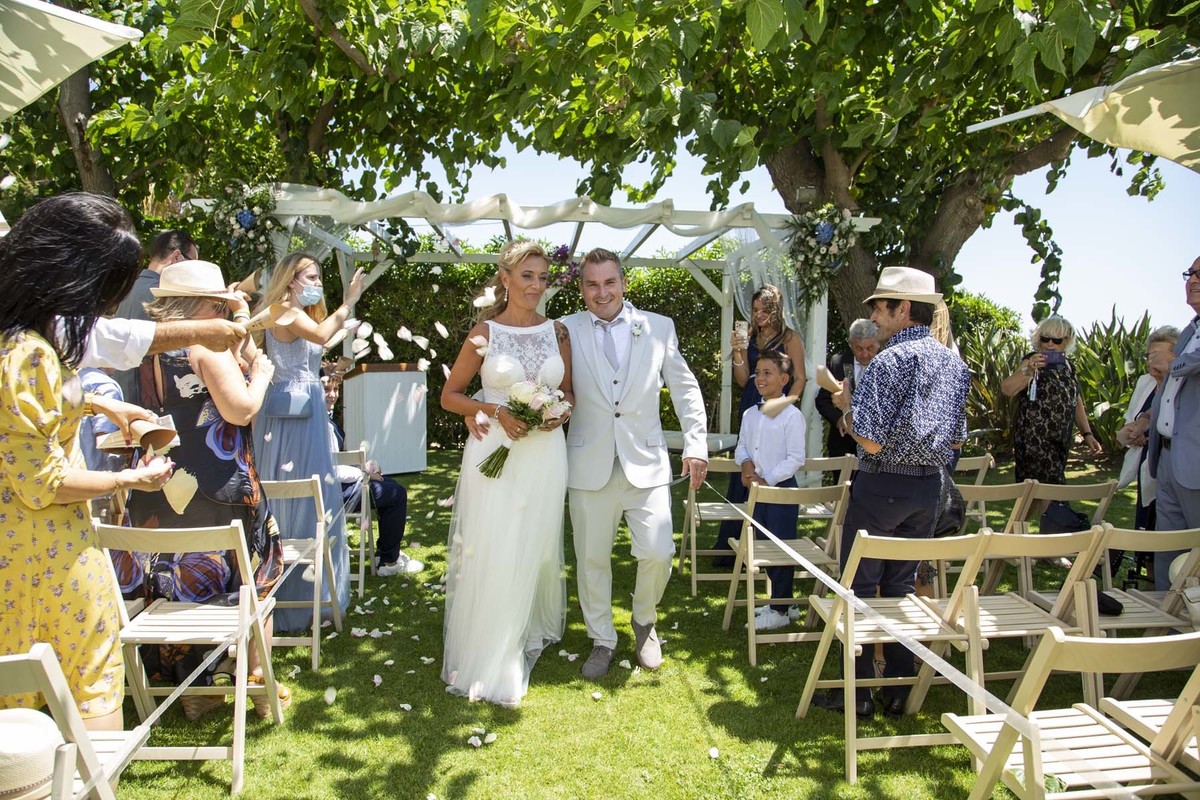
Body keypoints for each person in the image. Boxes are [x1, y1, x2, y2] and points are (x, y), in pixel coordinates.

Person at [0, 193, 175, 732]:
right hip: (48, 554)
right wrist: (131, 477)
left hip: (11, 555)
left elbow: (25, 419)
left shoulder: (15, 338)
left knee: (17, 718)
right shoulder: (29, 353)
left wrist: (102, 401)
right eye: (105, 293)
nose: (104, 309)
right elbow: (44, 483)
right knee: (92, 686)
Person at [121, 259, 285, 720]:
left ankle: (192, 687)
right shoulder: (205, 346)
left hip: (162, 483)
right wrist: (263, 373)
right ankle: (256, 685)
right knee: (255, 577)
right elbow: (240, 409)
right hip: (220, 483)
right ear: (206, 303)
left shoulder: (150, 351)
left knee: (177, 578)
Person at [820, 266, 970, 720]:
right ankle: (901, 687)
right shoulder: (951, 361)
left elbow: (870, 440)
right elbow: (957, 438)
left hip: (883, 482)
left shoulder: (889, 360)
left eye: (879, 306)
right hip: (929, 488)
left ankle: (861, 690)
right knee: (902, 586)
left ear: (903, 309)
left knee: (860, 587)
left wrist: (849, 410)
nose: (874, 314)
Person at [562, 248, 708, 679]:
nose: (601, 292)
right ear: (582, 288)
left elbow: (685, 388)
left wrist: (696, 444)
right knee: (591, 560)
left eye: (609, 282)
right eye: (592, 284)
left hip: (646, 462)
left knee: (659, 551)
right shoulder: (565, 329)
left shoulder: (659, 328)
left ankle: (644, 621)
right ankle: (602, 638)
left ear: (624, 284)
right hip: (588, 464)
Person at [439, 240, 572, 706]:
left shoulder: (557, 332)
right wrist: (494, 408)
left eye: (542, 277)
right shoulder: (484, 332)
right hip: (495, 450)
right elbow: (450, 395)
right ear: (506, 279)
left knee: (534, 543)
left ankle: (526, 626)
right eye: (527, 276)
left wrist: (557, 413)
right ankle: (494, 650)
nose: (536, 285)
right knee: (497, 545)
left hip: (546, 454)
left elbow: (568, 393)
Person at [252, 253, 366, 630]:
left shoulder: (291, 311)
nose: (317, 283)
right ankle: (290, 600)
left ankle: (313, 592)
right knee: (297, 492)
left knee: (313, 488)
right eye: (312, 276)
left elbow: (319, 340)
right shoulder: (282, 309)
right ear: (291, 280)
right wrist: (349, 300)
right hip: (292, 414)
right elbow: (319, 335)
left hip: (306, 405)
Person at [733, 352, 807, 631]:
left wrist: (769, 479)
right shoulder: (751, 413)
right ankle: (783, 603)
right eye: (758, 373)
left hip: (781, 491)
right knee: (764, 544)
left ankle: (780, 608)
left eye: (768, 373)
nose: (761, 378)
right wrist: (746, 465)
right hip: (757, 490)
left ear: (784, 379)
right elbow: (742, 445)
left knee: (781, 548)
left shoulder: (791, 415)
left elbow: (795, 458)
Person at [322, 375, 422, 576]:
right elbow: (330, 468)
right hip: (333, 491)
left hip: (332, 486)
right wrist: (364, 473)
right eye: (327, 390)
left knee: (389, 486)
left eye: (335, 390)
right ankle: (389, 562)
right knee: (397, 494)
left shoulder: (323, 419)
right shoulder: (321, 425)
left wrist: (364, 467)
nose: (332, 396)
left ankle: (384, 553)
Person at [1001, 315, 1103, 510]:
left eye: (1056, 340)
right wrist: (1029, 371)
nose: (1049, 345)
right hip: (1035, 440)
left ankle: (1015, 533)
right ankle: (1052, 534)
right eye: (1045, 339)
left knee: (1032, 498)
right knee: (1049, 495)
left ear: (1067, 341)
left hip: (1059, 442)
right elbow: (1007, 389)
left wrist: (1087, 433)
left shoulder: (1068, 366)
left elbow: (1075, 400)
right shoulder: (1031, 361)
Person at [1147, 256, 1200, 589]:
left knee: (1196, 551)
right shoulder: (1189, 332)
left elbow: (1181, 367)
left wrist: (1174, 362)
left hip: (1194, 461)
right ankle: (1168, 623)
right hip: (1166, 458)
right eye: (1190, 273)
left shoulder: (1181, 349)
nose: (1193, 279)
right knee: (1166, 547)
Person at [113, 229, 199, 404]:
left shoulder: (128, 289)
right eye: (192, 264)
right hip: (148, 401)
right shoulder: (165, 295)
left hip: (123, 393)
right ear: (176, 257)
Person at [1116, 326, 1180, 537]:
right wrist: (1133, 432)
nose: (1150, 361)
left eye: (1156, 355)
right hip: (1147, 461)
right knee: (1146, 527)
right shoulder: (1145, 382)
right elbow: (1130, 421)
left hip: (1174, 463)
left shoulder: (1184, 384)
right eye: (1148, 355)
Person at [815, 319, 879, 458]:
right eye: (859, 348)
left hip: (874, 447)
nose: (865, 354)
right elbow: (822, 400)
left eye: (870, 348)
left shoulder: (886, 364)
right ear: (850, 344)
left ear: (878, 343)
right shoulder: (839, 363)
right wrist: (839, 419)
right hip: (843, 446)